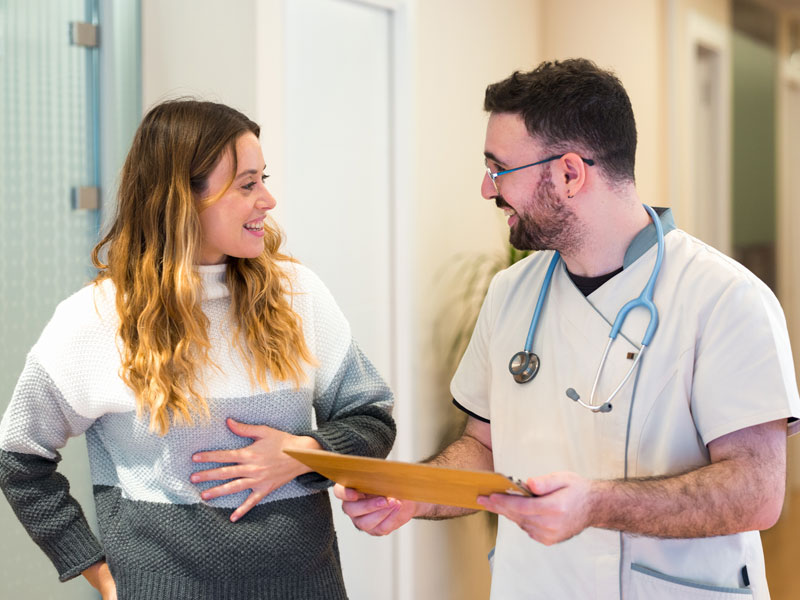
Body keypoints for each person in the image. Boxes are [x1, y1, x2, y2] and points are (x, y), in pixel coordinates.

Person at [334, 58, 800, 599]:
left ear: (570, 173)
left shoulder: (725, 299)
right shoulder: (511, 293)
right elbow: (483, 448)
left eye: (499, 169)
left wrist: (595, 504)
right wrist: (415, 494)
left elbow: (757, 492)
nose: (488, 190)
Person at [0, 99, 395, 599]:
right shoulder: (97, 318)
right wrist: (99, 574)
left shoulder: (299, 294)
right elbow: (18, 457)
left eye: (263, 179)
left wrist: (304, 451)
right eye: (248, 184)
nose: (268, 200)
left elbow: (372, 416)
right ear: (181, 198)